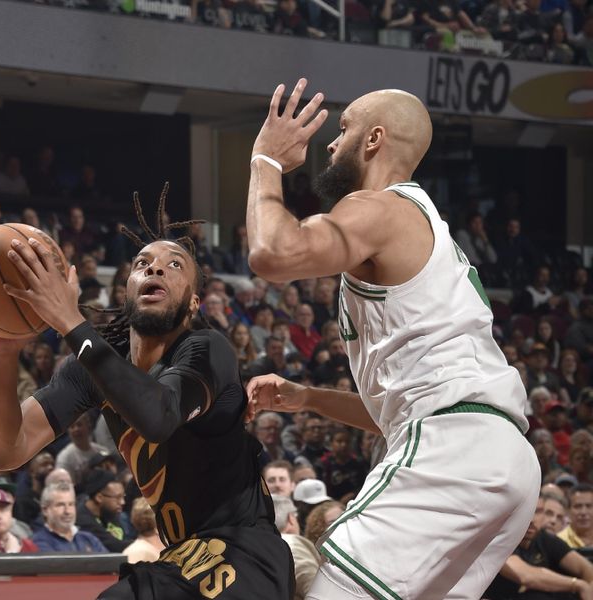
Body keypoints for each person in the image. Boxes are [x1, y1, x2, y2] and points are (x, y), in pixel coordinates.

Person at [245, 80, 539, 598]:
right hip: (505, 458)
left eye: (343, 130)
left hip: (454, 449)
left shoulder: (378, 207)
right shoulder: (428, 228)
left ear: (374, 139)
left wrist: (264, 162)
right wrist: (310, 398)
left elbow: (273, 252)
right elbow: (401, 409)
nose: (332, 145)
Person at [0, 190, 294, 599]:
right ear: (127, 290)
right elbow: (6, 450)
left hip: (245, 552)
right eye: (142, 264)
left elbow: (158, 416)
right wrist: (3, 355)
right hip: (186, 559)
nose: (156, 269)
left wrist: (71, 322)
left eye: (174, 265)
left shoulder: (207, 350)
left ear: (193, 303)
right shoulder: (90, 371)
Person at [485, 494, 593, 599]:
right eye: (526, 510)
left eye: (538, 511)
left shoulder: (544, 538)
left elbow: (586, 569)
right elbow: (527, 576)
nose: (532, 519)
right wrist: (577, 585)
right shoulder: (497, 539)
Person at [32, 482, 108, 553]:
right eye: (60, 505)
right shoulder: (38, 542)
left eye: (71, 504)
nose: (67, 511)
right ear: (45, 510)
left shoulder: (89, 539)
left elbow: (110, 565)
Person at [558, 484, 593, 548]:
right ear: (568, 511)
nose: (583, 512)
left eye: (589, 506)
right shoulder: (558, 541)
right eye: (578, 506)